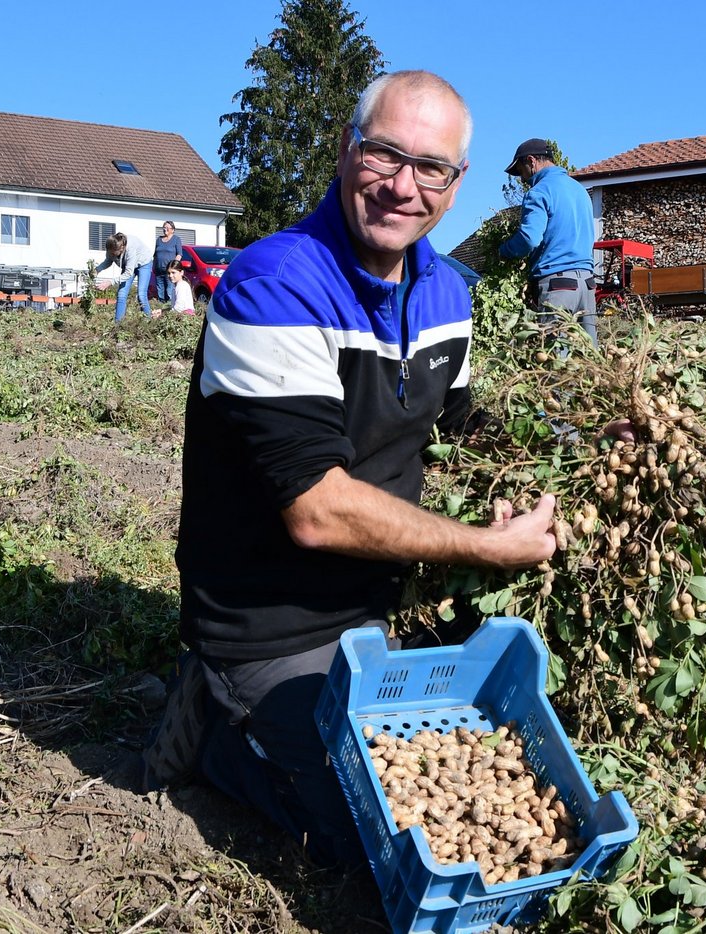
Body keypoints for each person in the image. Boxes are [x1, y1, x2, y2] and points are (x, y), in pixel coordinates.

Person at [140, 70, 558, 868]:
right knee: (367, 835)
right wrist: (481, 547)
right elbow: (315, 508)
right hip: (271, 619)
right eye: (384, 156)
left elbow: (458, 425)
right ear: (345, 150)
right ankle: (214, 730)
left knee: (488, 774)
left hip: (386, 589)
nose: (404, 187)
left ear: (457, 182)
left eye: (431, 167)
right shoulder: (276, 285)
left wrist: (566, 443)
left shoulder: (446, 291)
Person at [498, 138, 598, 348]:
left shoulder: (539, 192)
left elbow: (529, 238)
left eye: (521, 171)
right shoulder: (579, 190)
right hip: (587, 284)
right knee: (589, 357)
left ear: (531, 161)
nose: (523, 179)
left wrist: (505, 250)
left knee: (555, 360)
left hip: (558, 286)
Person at [96, 231, 157, 322]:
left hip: (144, 264)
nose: (112, 255)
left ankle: (148, 322)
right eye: (110, 253)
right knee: (121, 294)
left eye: (113, 253)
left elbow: (128, 273)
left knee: (141, 294)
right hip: (128, 266)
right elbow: (108, 261)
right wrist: (97, 270)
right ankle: (118, 324)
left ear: (122, 248)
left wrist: (110, 282)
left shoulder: (130, 247)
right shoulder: (111, 246)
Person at [154, 221, 184, 305]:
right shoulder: (159, 239)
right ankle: (161, 311)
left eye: (167, 227)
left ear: (173, 230)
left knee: (169, 292)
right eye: (164, 227)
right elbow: (155, 254)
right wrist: (154, 266)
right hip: (158, 271)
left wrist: (174, 266)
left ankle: (170, 310)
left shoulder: (176, 239)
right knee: (160, 294)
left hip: (169, 271)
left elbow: (179, 254)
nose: (165, 229)